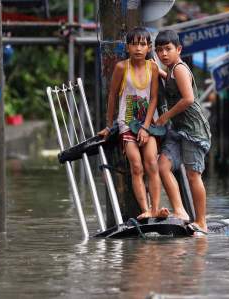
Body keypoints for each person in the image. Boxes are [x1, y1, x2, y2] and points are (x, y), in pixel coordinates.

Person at [98, 27, 169, 220]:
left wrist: (146, 127)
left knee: (152, 164)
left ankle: (156, 208)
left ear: (148, 48)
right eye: (134, 44)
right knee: (136, 167)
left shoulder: (152, 68)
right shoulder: (122, 67)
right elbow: (112, 96)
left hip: (148, 124)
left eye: (142, 44)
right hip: (126, 123)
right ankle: (146, 209)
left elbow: (154, 98)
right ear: (128, 47)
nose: (138, 48)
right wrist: (108, 124)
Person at [155, 30, 211, 234]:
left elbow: (188, 99)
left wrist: (165, 116)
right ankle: (180, 211)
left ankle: (202, 221)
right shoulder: (170, 71)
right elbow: (171, 84)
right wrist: (158, 72)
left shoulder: (178, 68)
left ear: (178, 49)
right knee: (162, 165)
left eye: (168, 49)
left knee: (193, 175)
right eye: (159, 50)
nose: (164, 54)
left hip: (193, 129)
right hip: (178, 130)